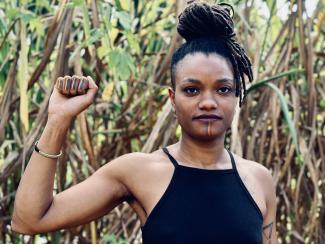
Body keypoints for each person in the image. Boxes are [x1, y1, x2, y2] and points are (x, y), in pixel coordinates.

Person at [11, 2, 277, 244]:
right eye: (192, 90)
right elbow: (29, 220)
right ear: (173, 99)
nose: (208, 102)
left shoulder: (258, 179)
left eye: (223, 90)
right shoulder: (138, 172)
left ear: (237, 96)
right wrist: (58, 121)